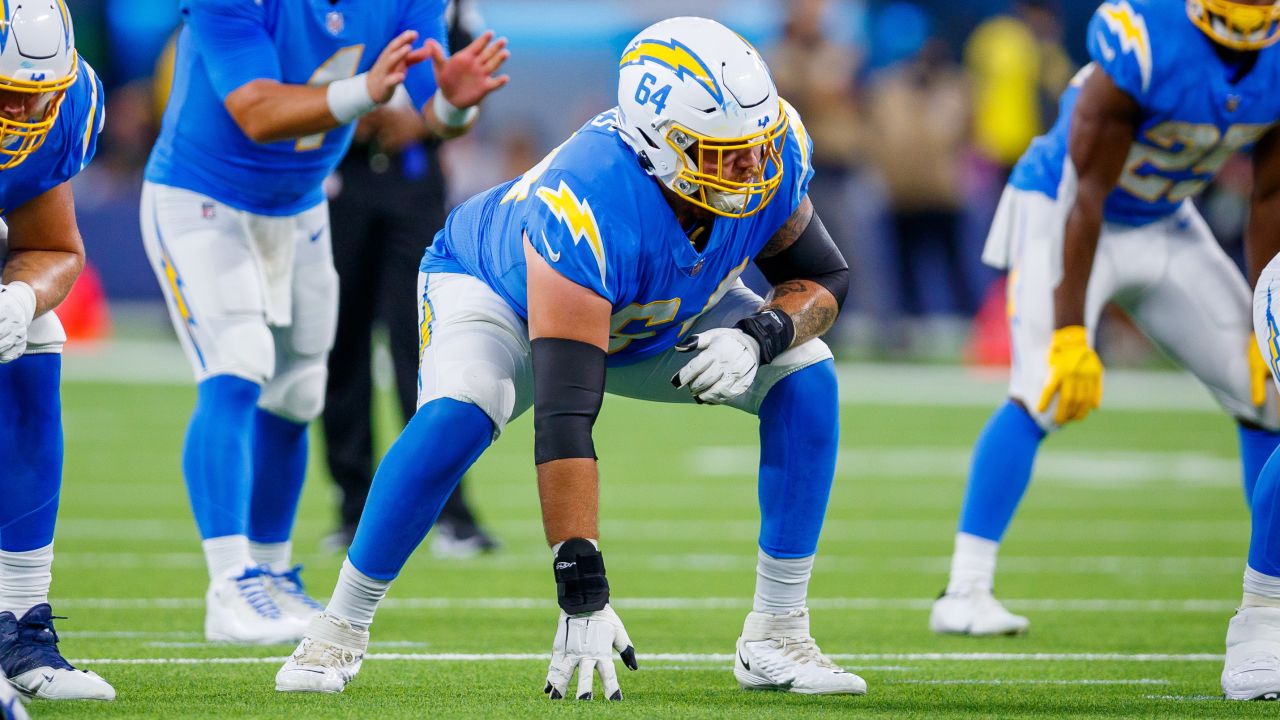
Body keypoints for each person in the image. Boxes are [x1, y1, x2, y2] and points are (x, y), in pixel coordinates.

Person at [275, 17, 862, 699]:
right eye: (719, 151)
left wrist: (760, 333)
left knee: (807, 374)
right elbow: (564, 416)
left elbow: (824, 273)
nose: (749, 169)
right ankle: (336, 630)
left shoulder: (774, 146)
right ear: (657, 145)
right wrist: (581, 585)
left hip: (646, 312)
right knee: (460, 413)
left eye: (755, 146)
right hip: (503, 296)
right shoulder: (588, 198)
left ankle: (778, 633)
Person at [140, 0, 508, 644]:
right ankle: (229, 582)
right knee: (236, 364)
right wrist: (366, 90)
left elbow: (434, 108)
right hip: (203, 193)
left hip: (300, 201)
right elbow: (256, 111)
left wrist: (453, 105)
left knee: (299, 389)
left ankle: (273, 573)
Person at [931, 0, 1280, 637]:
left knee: (1267, 393)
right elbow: (1083, 192)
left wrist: (1267, 310)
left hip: (1166, 220)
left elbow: (1270, 192)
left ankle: (1272, 587)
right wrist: (1070, 333)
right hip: (1061, 210)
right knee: (1044, 387)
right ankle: (964, 588)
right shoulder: (1145, 40)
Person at [323, 0, 498, 557]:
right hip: (336, 176)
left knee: (424, 346)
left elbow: (471, 82)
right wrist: (344, 116)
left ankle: (450, 510)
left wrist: (419, 122)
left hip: (414, 179)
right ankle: (353, 507)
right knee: (340, 345)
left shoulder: (444, 7)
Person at [0, 0, 115, 701]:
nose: (26, 112)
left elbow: (50, 247)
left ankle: (18, 623)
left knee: (34, 335)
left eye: (39, 94)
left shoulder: (67, 104)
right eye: (10, 94)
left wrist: (15, 300)